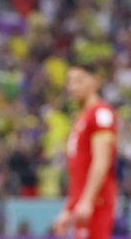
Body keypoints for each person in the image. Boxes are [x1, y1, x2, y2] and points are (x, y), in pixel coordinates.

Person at [53, 60, 118, 239]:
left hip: (97, 201)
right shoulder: (81, 118)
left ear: (95, 81)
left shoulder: (101, 114)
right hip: (83, 202)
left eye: (79, 80)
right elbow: (79, 171)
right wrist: (70, 208)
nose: (73, 86)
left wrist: (87, 200)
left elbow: (101, 161)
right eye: (70, 81)